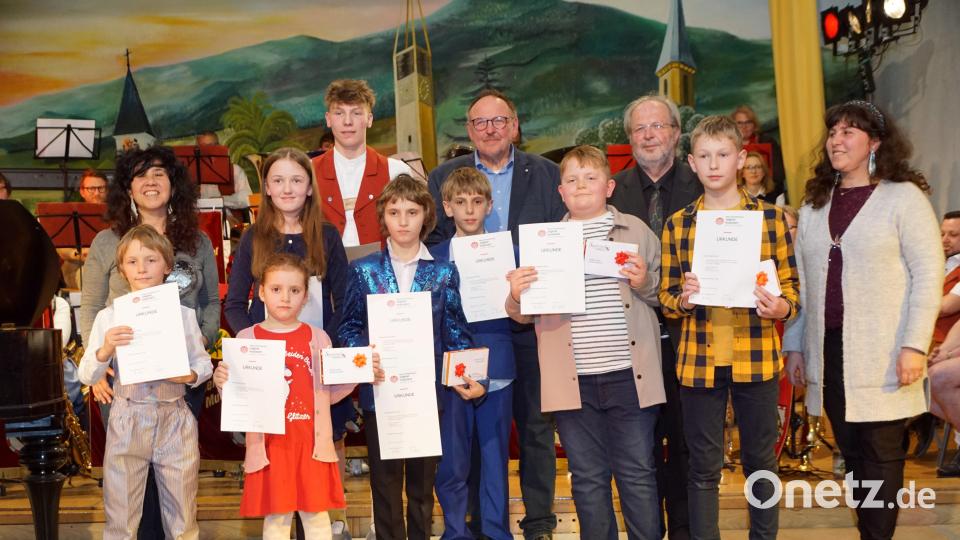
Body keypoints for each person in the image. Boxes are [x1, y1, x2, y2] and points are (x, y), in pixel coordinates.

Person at [783, 101, 942, 539]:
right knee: (851, 452)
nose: (836, 140)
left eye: (848, 132)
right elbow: (803, 283)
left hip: (885, 349)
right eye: (833, 132)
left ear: (874, 143)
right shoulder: (814, 205)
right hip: (830, 350)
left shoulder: (903, 199)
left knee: (881, 451)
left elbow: (928, 275)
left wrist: (914, 345)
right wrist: (795, 345)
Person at [426, 89, 564, 540]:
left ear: (515, 125)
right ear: (469, 129)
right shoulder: (442, 178)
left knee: (535, 427)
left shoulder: (546, 173)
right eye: (480, 122)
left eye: (499, 120)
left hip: (527, 323)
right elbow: (433, 251)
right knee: (466, 442)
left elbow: (557, 243)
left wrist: (524, 297)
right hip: (467, 336)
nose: (490, 129)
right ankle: (469, 524)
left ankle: (538, 522)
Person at [507, 145, 664, 539]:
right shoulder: (544, 242)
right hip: (572, 381)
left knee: (637, 473)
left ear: (608, 187)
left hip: (630, 375)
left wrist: (645, 281)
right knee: (587, 478)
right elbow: (522, 314)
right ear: (560, 192)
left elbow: (665, 294)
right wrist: (516, 294)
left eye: (591, 178)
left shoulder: (636, 231)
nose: (581, 186)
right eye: (572, 180)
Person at [660, 115, 798, 540]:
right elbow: (666, 297)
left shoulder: (770, 219)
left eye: (723, 154)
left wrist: (780, 307)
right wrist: (684, 299)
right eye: (704, 156)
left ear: (741, 158)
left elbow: (791, 290)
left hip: (756, 360)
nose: (714, 164)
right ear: (691, 163)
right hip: (698, 363)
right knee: (703, 467)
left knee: (761, 463)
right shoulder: (678, 224)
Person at [79, 145, 220, 540]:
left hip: (179, 380)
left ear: (174, 184)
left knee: (176, 484)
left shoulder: (197, 240)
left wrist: (195, 349)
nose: (150, 181)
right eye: (140, 175)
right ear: (128, 187)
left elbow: (210, 302)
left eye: (159, 173)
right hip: (123, 383)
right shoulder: (107, 242)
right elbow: (91, 307)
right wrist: (99, 367)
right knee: (127, 489)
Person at [338, 175, 479, 540]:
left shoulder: (443, 272)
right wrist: (364, 356)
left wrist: (469, 375)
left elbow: (456, 331)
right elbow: (349, 327)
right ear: (382, 216)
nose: (402, 221)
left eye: (412, 212)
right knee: (384, 487)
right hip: (380, 392)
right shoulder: (363, 270)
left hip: (426, 396)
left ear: (426, 216)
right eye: (394, 212)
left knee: (421, 489)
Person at [214, 252, 382, 539]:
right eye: (276, 289)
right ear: (261, 293)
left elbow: (327, 393)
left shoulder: (318, 338)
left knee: (316, 517)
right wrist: (222, 382)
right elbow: (239, 395)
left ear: (305, 296)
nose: (285, 297)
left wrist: (360, 372)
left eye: (294, 290)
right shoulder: (247, 339)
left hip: (311, 444)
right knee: (276, 519)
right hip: (271, 448)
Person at [607, 94, 700, 540]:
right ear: (629, 138)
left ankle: (683, 529)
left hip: (692, 336)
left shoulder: (701, 185)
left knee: (686, 442)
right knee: (638, 448)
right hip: (633, 337)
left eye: (658, 126)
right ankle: (647, 530)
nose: (649, 136)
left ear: (677, 134)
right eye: (640, 129)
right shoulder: (612, 191)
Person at [428, 167, 516, 540]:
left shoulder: (508, 254)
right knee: (452, 458)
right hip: (451, 364)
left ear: (489, 205)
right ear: (447, 207)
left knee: (494, 457)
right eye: (460, 202)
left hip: (496, 360)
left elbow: (522, 312)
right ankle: (454, 531)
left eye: (477, 201)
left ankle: (496, 532)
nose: (469, 210)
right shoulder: (432, 258)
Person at [312, 79, 413, 249]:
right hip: (322, 265)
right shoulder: (308, 171)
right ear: (328, 119)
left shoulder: (397, 171)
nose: (347, 121)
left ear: (369, 119)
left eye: (356, 113)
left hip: (382, 265)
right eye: (339, 113)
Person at [732, 104, 786, 202]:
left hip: (767, 193)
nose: (744, 127)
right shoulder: (727, 146)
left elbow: (778, 175)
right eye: (739, 123)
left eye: (748, 122)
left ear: (754, 125)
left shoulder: (767, 141)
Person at [195, 131, 253, 211]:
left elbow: (247, 198)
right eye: (203, 147)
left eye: (212, 146)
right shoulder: (191, 174)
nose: (209, 150)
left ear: (219, 146)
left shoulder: (235, 170)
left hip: (229, 217)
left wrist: (222, 200)